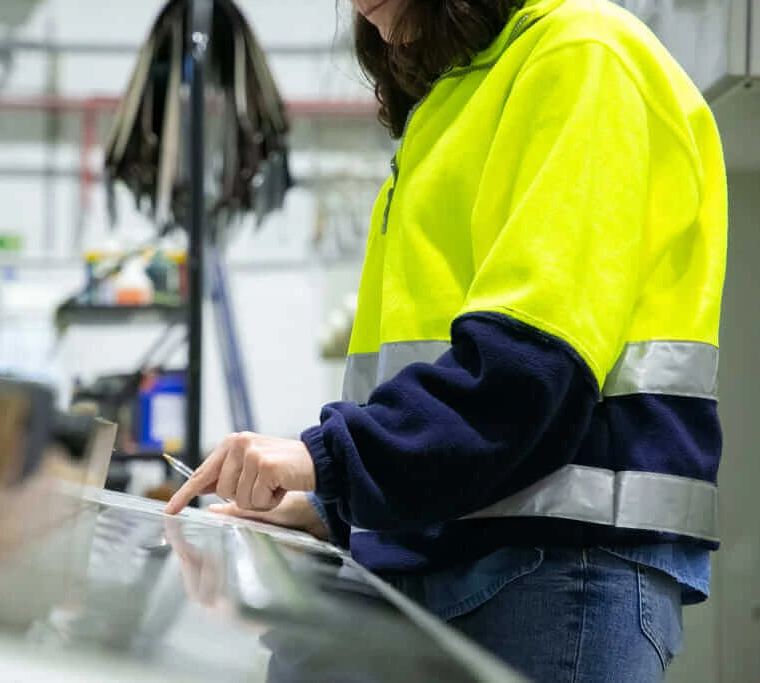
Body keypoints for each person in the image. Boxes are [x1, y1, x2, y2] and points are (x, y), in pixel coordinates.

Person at [165, 0, 727, 679]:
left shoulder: (581, 53)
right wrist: (335, 505)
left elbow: (529, 372)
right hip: (460, 556)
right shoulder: (451, 104)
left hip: (557, 573)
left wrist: (332, 459)